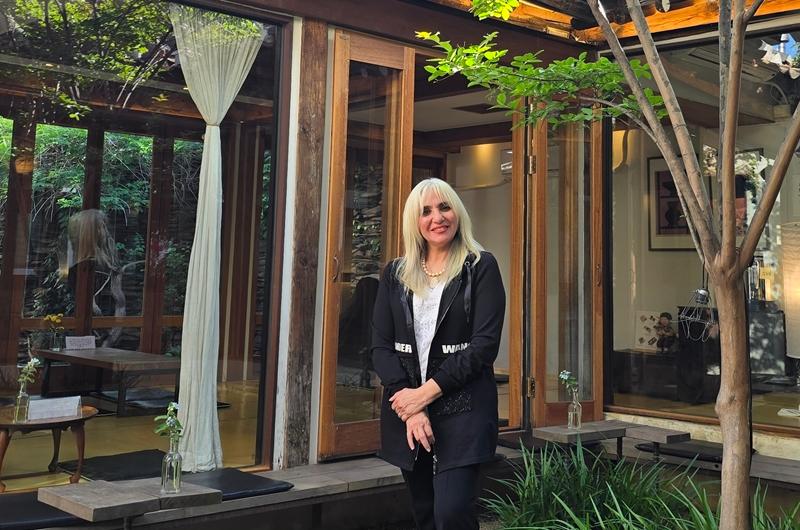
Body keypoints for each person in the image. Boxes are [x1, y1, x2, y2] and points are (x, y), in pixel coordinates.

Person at [371, 178, 506, 530]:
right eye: (426, 211)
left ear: (457, 212)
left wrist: (424, 394)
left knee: (452, 512)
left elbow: (483, 348)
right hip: (407, 411)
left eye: (444, 207)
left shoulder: (481, 267)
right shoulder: (395, 274)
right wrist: (411, 406)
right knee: (426, 511)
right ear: (414, 221)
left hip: (464, 408)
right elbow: (380, 347)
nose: (437, 217)